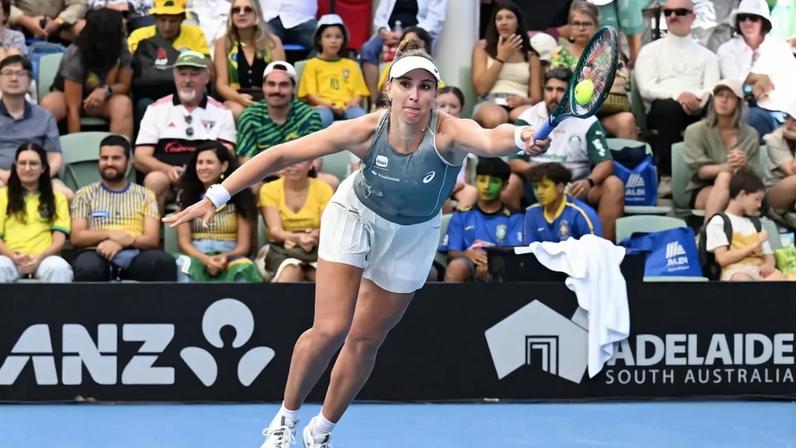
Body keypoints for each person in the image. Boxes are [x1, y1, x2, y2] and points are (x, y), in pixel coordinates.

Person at [164, 38, 546, 447]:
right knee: (330, 329)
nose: (415, 95)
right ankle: (284, 421)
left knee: (365, 340)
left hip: (413, 236)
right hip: (355, 216)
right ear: (389, 88)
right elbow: (278, 155)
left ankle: (321, 431)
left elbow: (492, 138)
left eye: (425, 86)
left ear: (435, 94)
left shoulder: (450, 133)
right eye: (406, 84)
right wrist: (215, 196)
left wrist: (520, 137)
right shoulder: (364, 130)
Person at [509, 67, 624, 242]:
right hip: (536, 183)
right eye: (549, 89)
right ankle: (515, 242)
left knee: (613, 185)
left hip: (576, 187)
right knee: (510, 184)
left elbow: (606, 163)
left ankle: (603, 250)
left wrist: (589, 181)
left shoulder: (587, 120)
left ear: (571, 92)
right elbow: (514, 161)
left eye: (560, 90)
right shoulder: (528, 117)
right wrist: (542, 175)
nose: (553, 95)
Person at [134, 50, 236, 215]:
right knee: (154, 180)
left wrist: (194, 174)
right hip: (168, 180)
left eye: (194, 74)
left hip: (207, 179)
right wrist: (167, 169)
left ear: (207, 78)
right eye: (182, 74)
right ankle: (154, 237)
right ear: (175, 77)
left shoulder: (222, 112)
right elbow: (140, 156)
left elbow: (227, 155)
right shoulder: (156, 109)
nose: (187, 80)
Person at [71, 135, 177, 282]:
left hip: (136, 254)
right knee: (87, 266)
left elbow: (152, 239)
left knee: (163, 262)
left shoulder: (145, 195)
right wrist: (110, 234)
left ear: (129, 161)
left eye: (116, 158)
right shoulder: (84, 194)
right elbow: (77, 237)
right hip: (96, 252)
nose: (109, 163)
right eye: (104, 158)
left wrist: (124, 241)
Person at [634, 0, 720, 180]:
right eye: (668, 12)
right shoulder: (650, 51)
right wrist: (678, 96)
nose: (672, 16)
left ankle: (716, 173)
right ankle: (667, 175)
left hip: (699, 105)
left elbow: (711, 88)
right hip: (663, 107)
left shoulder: (708, 56)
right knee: (671, 109)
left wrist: (698, 100)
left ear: (693, 17)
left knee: (720, 106)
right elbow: (646, 88)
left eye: (680, 12)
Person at [237, 61, 339, 190]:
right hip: (264, 178)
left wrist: (290, 172)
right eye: (271, 84)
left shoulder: (308, 115)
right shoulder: (250, 116)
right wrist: (280, 171)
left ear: (293, 88)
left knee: (330, 182)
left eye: (283, 85)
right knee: (251, 187)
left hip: (301, 177)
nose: (276, 90)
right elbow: (246, 161)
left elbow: (316, 160)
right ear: (263, 87)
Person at [39, 9, 134, 140]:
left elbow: (124, 85)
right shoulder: (76, 54)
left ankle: (121, 152)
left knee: (123, 104)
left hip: (101, 100)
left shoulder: (121, 47)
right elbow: (73, 108)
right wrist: (77, 145)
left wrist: (105, 91)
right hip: (67, 98)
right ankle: (43, 153)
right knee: (49, 104)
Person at [549, 0, 638, 139]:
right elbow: (556, 84)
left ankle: (624, 159)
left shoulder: (609, 53)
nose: (581, 28)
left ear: (596, 27)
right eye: (576, 23)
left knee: (627, 120)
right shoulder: (560, 53)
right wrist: (595, 82)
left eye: (586, 23)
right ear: (570, 27)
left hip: (604, 111)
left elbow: (622, 82)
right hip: (570, 112)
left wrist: (587, 85)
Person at [175, 141, 261, 283]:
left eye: (209, 162)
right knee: (182, 265)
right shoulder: (186, 196)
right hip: (197, 255)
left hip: (231, 255)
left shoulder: (241, 196)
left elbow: (244, 246)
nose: (203, 167)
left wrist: (225, 257)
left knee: (244, 267)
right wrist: (206, 259)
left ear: (224, 166)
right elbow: (184, 242)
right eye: (200, 162)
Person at [717, 0, 796, 140]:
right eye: (742, 18)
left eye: (753, 18)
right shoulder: (727, 49)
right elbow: (733, 85)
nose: (747, 22)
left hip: (779, 109)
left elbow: (786, 85)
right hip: (742, 109)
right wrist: (754, 84)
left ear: (763, 22)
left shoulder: (778, 47)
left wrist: (755, 82)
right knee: (751, 120)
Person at [684, 79, 761, 221]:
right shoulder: (695, 130)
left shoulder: (751, 134)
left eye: (729, 96)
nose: (724, 100)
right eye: (720, 95)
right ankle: (709, 232)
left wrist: (743, 166)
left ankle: (710, 234)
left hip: (741, 189)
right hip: (703, 188)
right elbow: (701, 172)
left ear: (738, 103)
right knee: (724, 176)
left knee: (734, 186)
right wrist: (730, 167)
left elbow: (756, 176)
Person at [439, 157, 523, 282]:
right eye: (482, 180)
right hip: (468, 263)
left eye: (494, 182)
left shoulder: (515, 217)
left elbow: (514, 253)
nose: (487, 186)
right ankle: (450, 302)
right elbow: (452, 253)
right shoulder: (462, 214)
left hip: (502, 268)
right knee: (456, 267)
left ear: (505, 185)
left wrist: (492, 262)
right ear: (475, 181)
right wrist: (467, 254)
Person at [0, 143, 72, 283]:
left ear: (43, 168)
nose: (27, 168)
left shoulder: (58, 198)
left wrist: (39, 258)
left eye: (33, 163)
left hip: (44, 258)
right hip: (9, 258)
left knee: (59, 268)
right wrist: (14, 257)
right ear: (16, 167)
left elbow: (59, 239)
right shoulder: (1, 196)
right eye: (22, 163)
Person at [128, 0, 210, 119]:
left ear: (182, 19)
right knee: (143, 105)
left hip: (186, 92)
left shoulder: (195, 34)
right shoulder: (139, 35)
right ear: (155, 19)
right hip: (149, 95)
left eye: (173, 21)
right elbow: (127, 67)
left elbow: (208, 68)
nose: (167, 26)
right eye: (162, 20)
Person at [361, 0, 448, 107]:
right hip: (389, 32)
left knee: (412, 38)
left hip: (417, 30)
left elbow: (435, 20)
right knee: (368, 49)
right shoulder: (389, 69)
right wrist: (384, 31)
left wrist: (407, 34)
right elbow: (380, 16)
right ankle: (375, 101)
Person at [0, 56, 65, 196]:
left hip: (39, 178)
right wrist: (7, 176)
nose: (13, 78)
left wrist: (37, 177)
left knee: (67, 195)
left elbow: (55, 158)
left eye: (20, 73)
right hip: (1, 178)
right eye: (7, 73)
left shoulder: (45, 117)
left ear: (30, 82)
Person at [259, 159, 333, 283]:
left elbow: (328, 227)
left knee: (323, 278)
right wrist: (299, 238)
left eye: (299, 161)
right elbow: (274, 231)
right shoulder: (268, 189)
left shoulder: (323, 188)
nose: (292, 165)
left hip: (317, 246)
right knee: (291, 271)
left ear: (310, 165)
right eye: (288, 161)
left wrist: (314, 235)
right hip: (281, 247)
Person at [704, 169, 785, 281]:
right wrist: (753, 245)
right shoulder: (719, 221)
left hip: (758, 269)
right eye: (756, 199)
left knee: (780, 280)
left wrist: (768, 265)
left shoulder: (756, 223)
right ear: (742, 194)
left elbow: (768, 255)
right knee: (742, 281)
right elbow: (722, 259)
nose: (759, 205)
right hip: (735, 270)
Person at [471, 2, 542, 128]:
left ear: (518, 23)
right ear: (495, 24)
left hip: (520, 102)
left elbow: (536, 97)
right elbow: (481, 89)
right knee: (494, 118)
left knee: (527, 118)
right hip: (490, 101)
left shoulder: (531, 56)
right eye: (499, 18)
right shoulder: (482, 48)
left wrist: (524, 101)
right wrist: (501, 57)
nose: (504, 22)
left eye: (509, 17)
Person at [213, 0, 285, 120]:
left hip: (268, 98)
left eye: (248, 9)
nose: (241, 13)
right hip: (236, 98)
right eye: (236, 10)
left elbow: (282, 79)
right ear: (231, 16)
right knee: (236, 111)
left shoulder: (273, 42)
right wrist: (240, 99)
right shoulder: (223, 43)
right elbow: (221, 84)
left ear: (257, 15)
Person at [298, 14, 368, 129]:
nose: (333, 41)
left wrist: (352, 102)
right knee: (323, 117)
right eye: (328, 36)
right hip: (322, 107)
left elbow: (359, 93)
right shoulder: (311, 64)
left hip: (347, 108)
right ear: (319, 39)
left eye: (338, 37)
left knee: (359, 116)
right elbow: (310, 95)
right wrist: (329, 105)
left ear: (343, 40)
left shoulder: (352, 65)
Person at [523, 161, 602, 244]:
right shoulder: (531, 213)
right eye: (536, 187)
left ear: (560, 187)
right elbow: (529, 251)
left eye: (545, 186)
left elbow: (594, 250)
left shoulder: (581, 213)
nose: (539, 192)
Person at [437, 85, 477, 209]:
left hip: (459, 186)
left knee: (471, 192)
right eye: (442, 105)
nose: (448, 110)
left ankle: (461, 227)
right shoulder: (425, 131)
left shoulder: (468, 133)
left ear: (461, 109)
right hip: (432, 186)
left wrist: (455, 186)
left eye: (453, 106)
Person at [763, 100, 796, 212]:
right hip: (775, 192)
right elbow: (792, 171)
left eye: (795, 121)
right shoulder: (774, 139)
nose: (789, 125)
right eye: (787, 117)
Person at [8, 0, 85, 42]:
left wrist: (59, 21)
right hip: (21, 23)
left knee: (82, 27)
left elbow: (77, 5)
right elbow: (5, 5)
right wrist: (26, 21)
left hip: (58, 24)